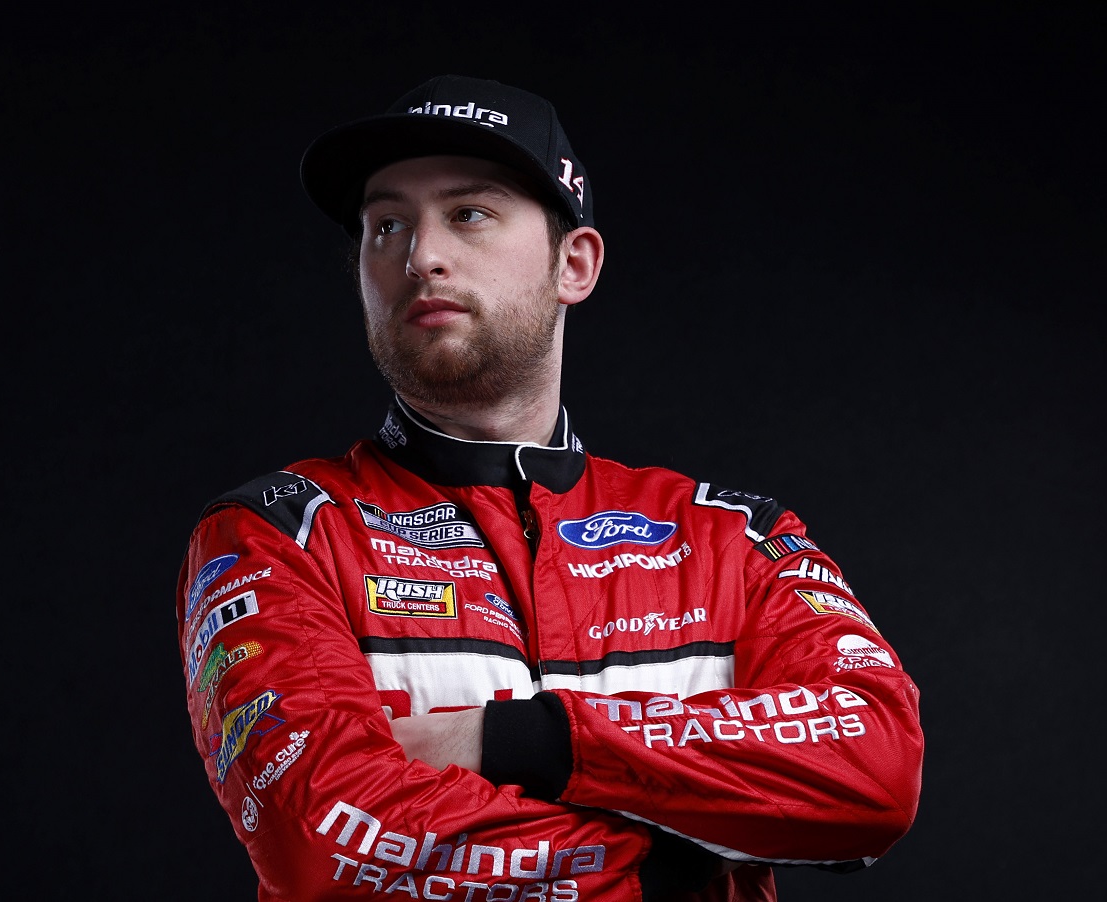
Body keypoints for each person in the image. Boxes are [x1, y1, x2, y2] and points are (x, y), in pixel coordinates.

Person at [175, 74, 923, 901]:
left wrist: (521, 741)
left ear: (575, 263)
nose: (419, 254)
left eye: (468, 213)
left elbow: (876, 765)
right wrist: (686, 861)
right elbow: (322, 843)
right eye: (385, 224)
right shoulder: (277, 534)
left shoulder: (734, 538)